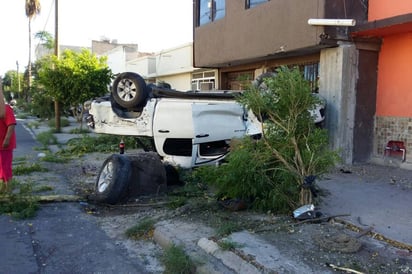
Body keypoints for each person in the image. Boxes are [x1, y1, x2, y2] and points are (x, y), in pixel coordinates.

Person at [0, 96, 16, 192]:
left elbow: (11, 124)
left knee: (5, 167)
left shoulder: (6, 109)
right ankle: (3, 188)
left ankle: (9, 189)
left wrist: (6, 140)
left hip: (4, 145)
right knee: (1, 168)